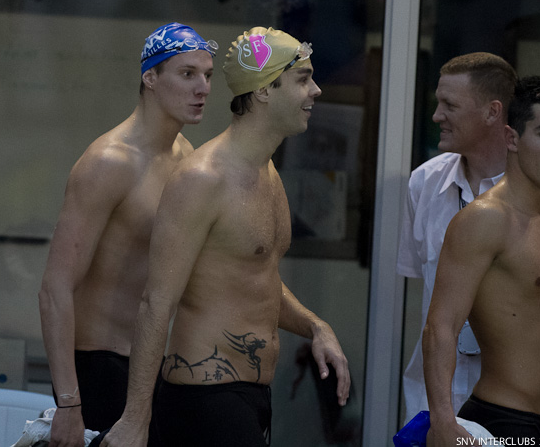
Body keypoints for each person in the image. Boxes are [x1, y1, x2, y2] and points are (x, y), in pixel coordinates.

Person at [101, 27, 350, 447]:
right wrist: (135, 419)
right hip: (203, 401)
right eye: (303, 79)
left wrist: (315, 326)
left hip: (251, 398)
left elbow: (254, 280)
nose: (316, 90)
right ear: (265, 90)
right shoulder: (203, 179)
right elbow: (156, 302)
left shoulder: (267, 172)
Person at [38, 22, 217, 446]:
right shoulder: (109, 162)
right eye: (187, 74)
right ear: (150, 78)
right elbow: (54, 289)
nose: (203, 88)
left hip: (147, 369)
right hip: (97, 368)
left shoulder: (185, 156)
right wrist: (69, 403)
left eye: (208, 75)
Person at [423, 76, 540, 443]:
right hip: (502, 420)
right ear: (512, 138)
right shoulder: (485, 219)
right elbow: (441, 326)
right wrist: (442, 421)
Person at [396, 52, 517, 423]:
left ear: (493, 112)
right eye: (438, 103)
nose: (436, 116)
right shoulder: (423, 183)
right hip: (434, 402)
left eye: (449, 105)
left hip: (516, 408)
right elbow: (421, 285)